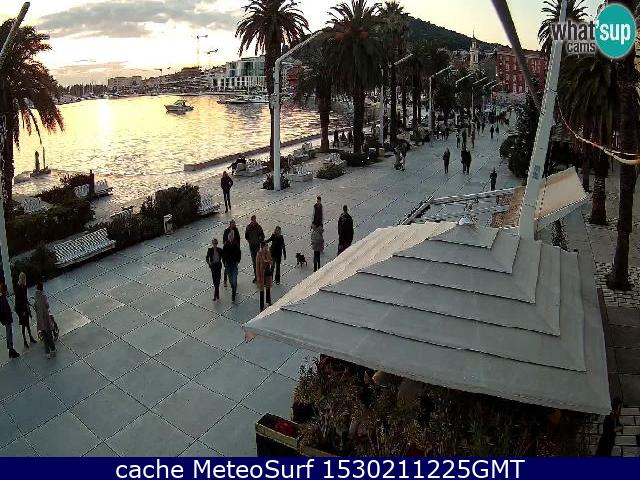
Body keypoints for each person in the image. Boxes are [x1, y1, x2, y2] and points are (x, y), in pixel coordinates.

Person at [15, 272, 36, 349]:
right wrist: (22, 311)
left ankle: (30, 337)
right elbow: (18, 302)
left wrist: (28, 308)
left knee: (27, 323)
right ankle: (24, 340)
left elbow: (25, 298)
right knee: (23, 325)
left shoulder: (24, 287)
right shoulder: (18, 288)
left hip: (24, 307)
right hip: (20, 309)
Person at [34, 282, 55, 358]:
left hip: (40, 319)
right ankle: (53, 349)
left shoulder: (36, 297)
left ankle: (47, 353)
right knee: (49, 335)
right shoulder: (43, 296)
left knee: (45, 337)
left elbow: (35, 307)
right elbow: (47, 305)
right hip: (45, 318)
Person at [0, 283, 19, 359]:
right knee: (9, 334)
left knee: (8, 334)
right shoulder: (2, 299)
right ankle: (11, 350)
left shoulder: (2, 298)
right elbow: (3, 310)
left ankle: (10, 349)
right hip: (7, 319)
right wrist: (8, 314)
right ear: (4, 290)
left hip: (6, 319)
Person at [222, 230, 242, 303]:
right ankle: (233, 288)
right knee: (231, 280)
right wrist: (224, 263)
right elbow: (223, 255)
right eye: (229, 237)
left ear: (233, 237)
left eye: (231, 236)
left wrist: (237, 261)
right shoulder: (226, 245)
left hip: (234, 264)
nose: (230, 238)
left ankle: (233, 296)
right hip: (228, 265)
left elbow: (239, 253)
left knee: (234, 280)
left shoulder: (236, 244)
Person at [244, 215, 265, 283]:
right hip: (252, 247)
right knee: (254, 263)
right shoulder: (248, 227)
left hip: (257, 247)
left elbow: (263, 235)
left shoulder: (258, 227)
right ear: (251, 220)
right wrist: (250, 241)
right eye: (253, 220)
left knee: (259, 262)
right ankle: (256, 276)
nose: (254, 221)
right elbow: (246, 236)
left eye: (255, 220)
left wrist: (260, 240)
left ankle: (260, 276)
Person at [256, 241, 273, 312]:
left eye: (267, 246)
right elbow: (257, 266)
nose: (267, 247)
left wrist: (269, 261)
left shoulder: (268, 253)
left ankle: (269, 301)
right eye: (266, 246)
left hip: (267, 273)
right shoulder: (259, 255)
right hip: (261, 274)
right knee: (262, 290)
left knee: (268, 287)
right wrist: (258, 277)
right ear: (262, 247)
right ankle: (261, 306)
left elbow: (271, 261)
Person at [222, 220, 240, 287]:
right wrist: (228, 243)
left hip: (234, 250)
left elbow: (238, 239)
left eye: (234, 224)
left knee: (235, 267)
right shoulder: (226, 231)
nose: (233, 225)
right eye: (232, 224)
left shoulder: (236, 230)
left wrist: (237, 247)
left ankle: (234, 280)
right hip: (228, 250)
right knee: (227, 268)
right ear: (230, 224)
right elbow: (224, 240)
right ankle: (225, 281)